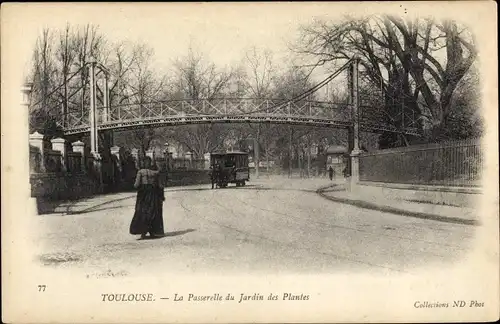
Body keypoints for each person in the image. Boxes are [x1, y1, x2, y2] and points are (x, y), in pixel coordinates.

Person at [129, 157, 165, 239]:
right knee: (153, 212)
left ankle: (143, 232)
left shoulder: (140, 172)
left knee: (142, 212)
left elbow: (136, 185)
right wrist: (162, 196)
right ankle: (153, 232)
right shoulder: (156, 173)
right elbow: (160, 185)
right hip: (153, 194)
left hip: (143, 194)